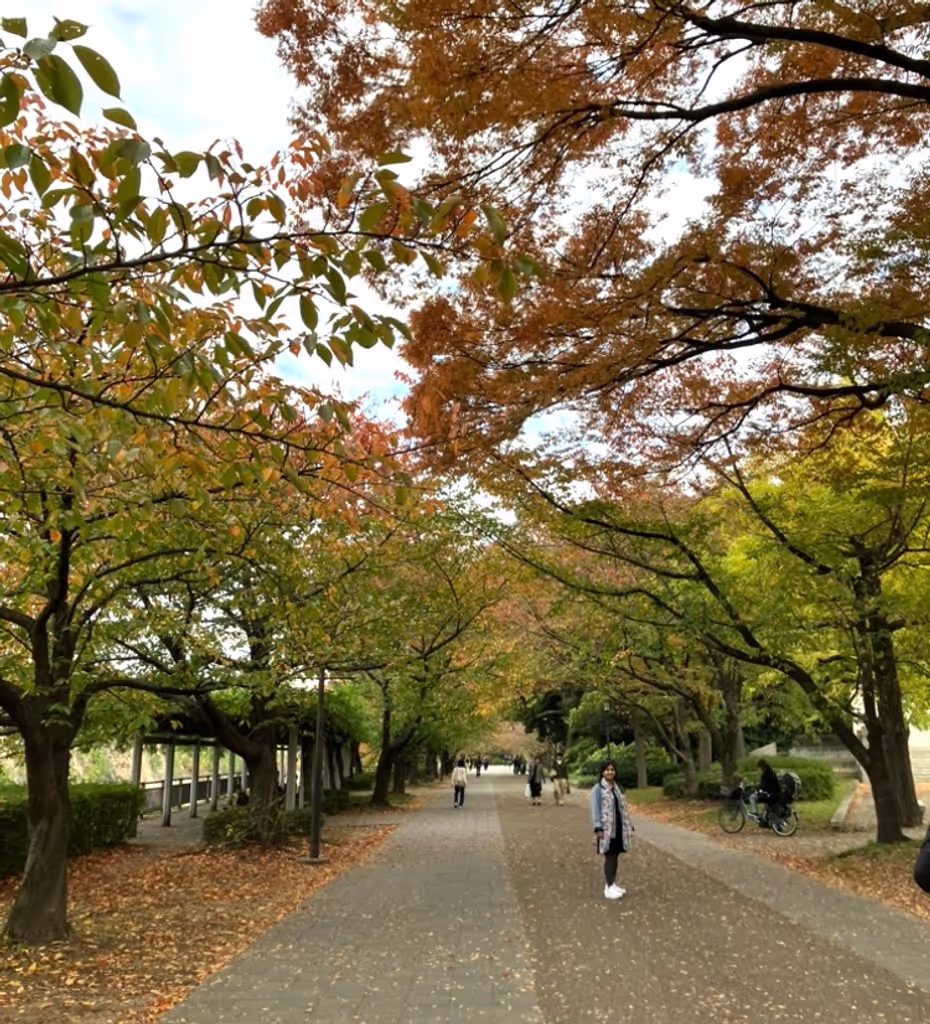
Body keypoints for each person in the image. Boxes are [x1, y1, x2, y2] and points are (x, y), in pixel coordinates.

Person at [590, 760, 632, 900]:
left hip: (619, 827)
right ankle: (608, 887)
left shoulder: (617, 787)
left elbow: (622, 807)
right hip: (607, 829)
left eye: (612, 769)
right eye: (607, 769)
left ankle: (612, 884)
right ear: (602, 772)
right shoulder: (598, 789)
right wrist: (598, 827)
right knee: (609, 856)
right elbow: (595, 809)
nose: (610, 772)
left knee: (616, 855)